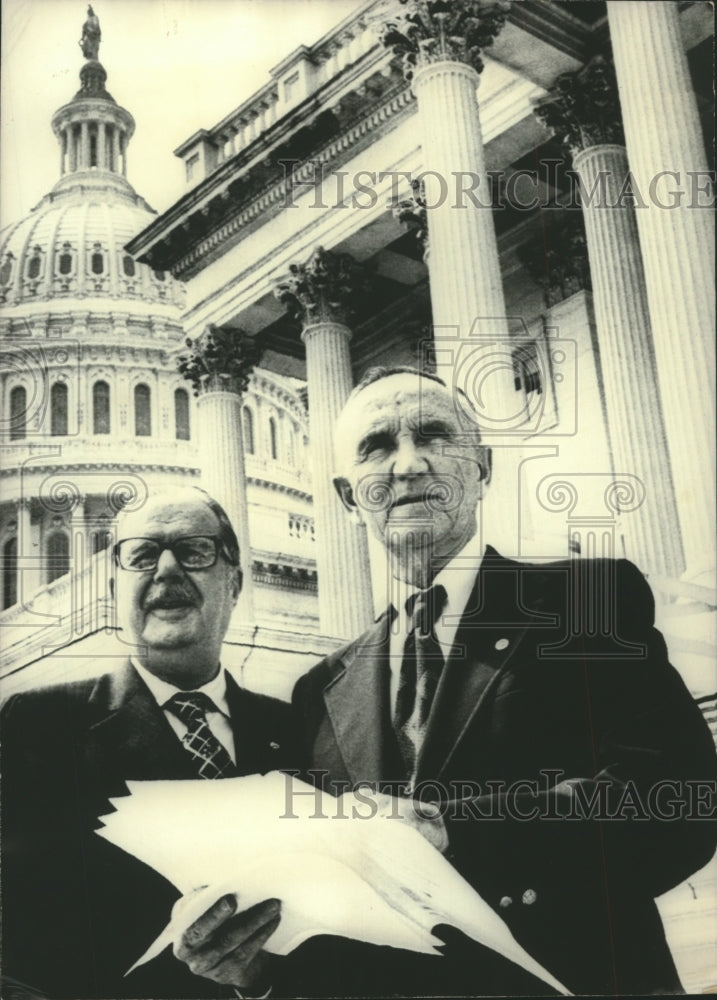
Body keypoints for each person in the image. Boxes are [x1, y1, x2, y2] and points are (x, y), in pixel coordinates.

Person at [285, 366, 716, 996]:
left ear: (481, 469)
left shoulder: (585, 603)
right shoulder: (319, 691)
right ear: (351, 498)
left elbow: (677, 798)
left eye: (433, 435)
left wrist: (454, 831)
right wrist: (257, 970)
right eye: (377, 446)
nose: (408, 465)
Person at [1, 486, 298, 999]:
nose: (165, 570)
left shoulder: (295, 730)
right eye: (141, 555)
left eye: (193, 550)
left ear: (235, 582)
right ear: (114, 587)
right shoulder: (37, 726)